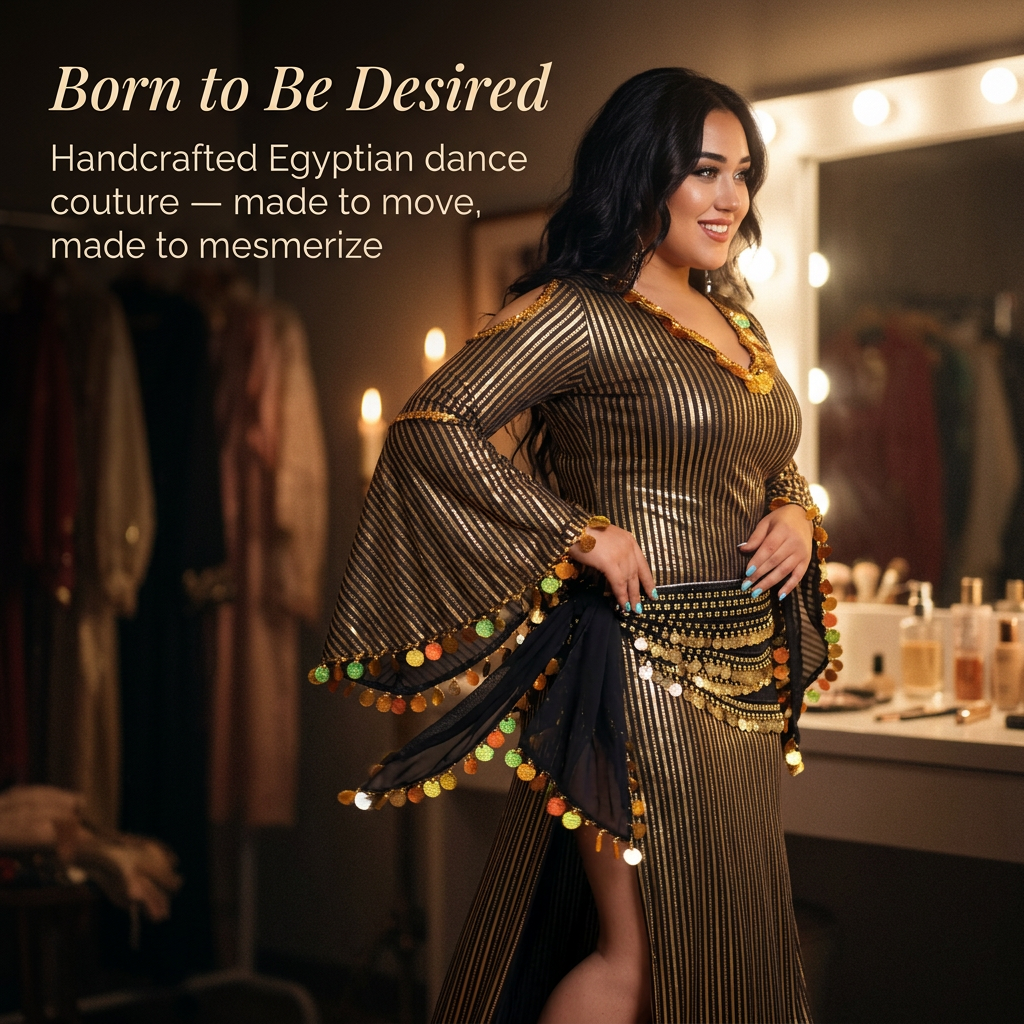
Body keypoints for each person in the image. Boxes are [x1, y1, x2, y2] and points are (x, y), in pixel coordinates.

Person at [315, 67, 836, 1024]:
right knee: (636, 955)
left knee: (731, 940)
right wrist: (576, 531)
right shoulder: (579, 311)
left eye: (744, 174)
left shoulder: (739, 323)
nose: (731, 198)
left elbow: (764, 463)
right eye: (706, 171)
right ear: (644, 175)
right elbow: (435, 424)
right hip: (636, 669)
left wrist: (798, 510)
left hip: (742, 671)